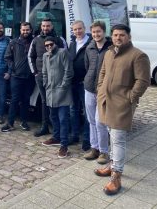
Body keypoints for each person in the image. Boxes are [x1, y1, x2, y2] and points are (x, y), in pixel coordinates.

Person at [94, 24, 150, 195]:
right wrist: (100, 89)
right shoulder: (110, 52)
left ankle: (116, 176)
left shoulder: (138, 55)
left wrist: (130, 98)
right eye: (116, 35)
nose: (118, 38)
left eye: (122, 35)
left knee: (118, 139)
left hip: (121, 104)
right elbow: (103, 72)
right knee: (110, 133)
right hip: (105, 101)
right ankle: (112, 165)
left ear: (129, 37)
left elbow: (143, 81)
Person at [28, 18, 67, 137]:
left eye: (48, 26)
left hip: (57, 77)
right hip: (41, 76)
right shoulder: (36, 40)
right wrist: (35, 72)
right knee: (44, 101)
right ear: (41, 27)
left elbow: (65, 57)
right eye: (44, 26)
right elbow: (30, 56)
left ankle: (58, 129)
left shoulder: (60, 40)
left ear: (52, 26)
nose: (45, 28)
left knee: (57, 101)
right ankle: (44, 126)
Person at [83, 21, 111, 164]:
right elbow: (87, 66)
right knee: (91, 120)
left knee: (101, 122)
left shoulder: (111, 49)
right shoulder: (90, 47)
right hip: (89, 87)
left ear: (104, 32)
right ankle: (94, 148)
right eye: (93, 32)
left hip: (103, 90)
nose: (96, 35)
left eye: (98, 32)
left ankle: (104, 151)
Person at [41, 36, 73, 158]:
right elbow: (44, 72)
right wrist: (45, 84)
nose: (49, 47)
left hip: (62, 91)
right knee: (53, 116)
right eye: (47, 45)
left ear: (56, 44)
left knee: (63, 119)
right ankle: (56, 137)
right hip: (50, 91)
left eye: (51, 44)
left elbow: (68, 71)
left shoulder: (63, 52)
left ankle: (64, 145)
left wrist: (63, 87)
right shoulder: (45, 56)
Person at [1, 22, 35, 132]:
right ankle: (10, 123)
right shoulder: (14, 42)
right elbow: (7, 57)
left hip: (29, 77)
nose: (25, 32)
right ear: (20, 30)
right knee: (14, 100)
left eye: (27, 30)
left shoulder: (34, 42)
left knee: (26, 100)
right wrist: (13, 67)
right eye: (23, 30)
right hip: (16, 76)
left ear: (30, 30)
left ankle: (24, 122)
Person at [68, 20, 92, 151]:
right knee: (73, 110)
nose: (78, 31)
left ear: (84, 28)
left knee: (87, 113)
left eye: (80, 29)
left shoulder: (90, 43)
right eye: (75, 29)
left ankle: (87, 140)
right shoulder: (72, 43)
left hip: (85, 84)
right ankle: (75, 135)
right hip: (73, 83)